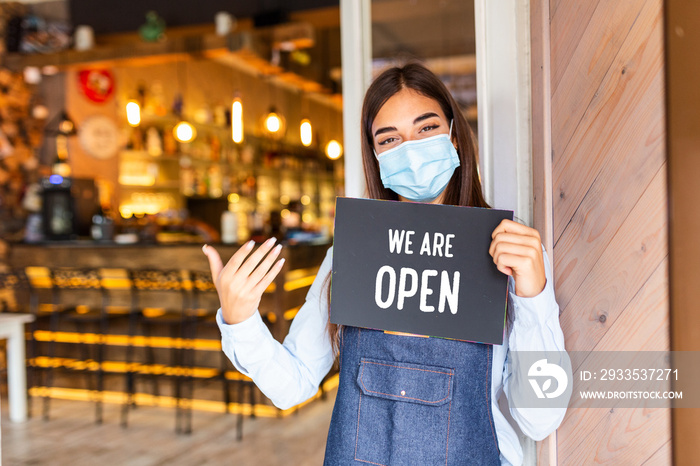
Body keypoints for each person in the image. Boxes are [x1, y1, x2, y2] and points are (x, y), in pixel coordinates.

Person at [202, 63, 568, 466]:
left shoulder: (507, 247)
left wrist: (534, 295)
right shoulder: (354, 251)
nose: (409, 148)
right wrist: (241, 322)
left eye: (426, 129)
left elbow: (540, 418)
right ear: (375, 156)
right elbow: (295, 384)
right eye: (389, 138)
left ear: (454, 137)